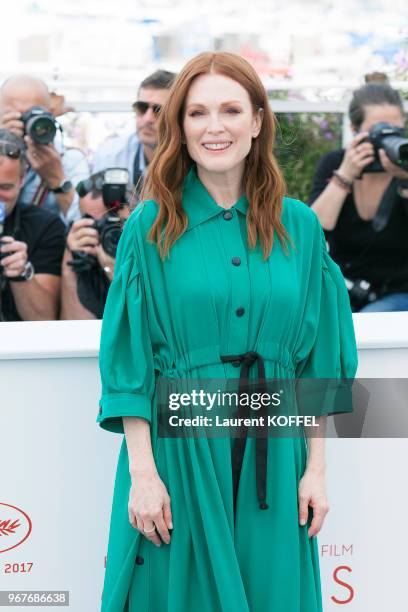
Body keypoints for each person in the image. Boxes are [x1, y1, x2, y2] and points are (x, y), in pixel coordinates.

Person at [97, 52, 358, 611]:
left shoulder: (301, 228)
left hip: (276, 454)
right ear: (180, 128)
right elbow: (129, 363)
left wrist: (316, 468)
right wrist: (143, 475)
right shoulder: (149, 227)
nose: (215, 127)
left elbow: (318, 363)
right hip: (182, 453)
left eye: (231, 110)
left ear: (258, 120)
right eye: (197, 113)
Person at [309, 82, 408, 312]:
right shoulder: (335, 163)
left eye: (395, 131)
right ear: (354, 129)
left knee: (355, 330)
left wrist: (405, 181)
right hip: (343, 287)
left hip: (399, 292)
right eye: (379, 131)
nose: (387, 138)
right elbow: (313, 231)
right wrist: (344, 176)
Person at [0, 74, 90, 225]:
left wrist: (57, 179)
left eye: (33, 115)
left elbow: (84, 223)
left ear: (51, 114)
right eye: (15, 116)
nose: (26, 124)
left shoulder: (69, 159)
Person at [0, 130, 65, 321]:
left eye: (5, 188)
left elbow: (44, 320)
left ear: (22, 181)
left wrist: (21, 273)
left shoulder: (45, 226)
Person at [92, 70, 176, 194]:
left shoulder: (197, 161)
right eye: (141, 107)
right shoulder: (110, 155)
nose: (147, 119)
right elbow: (89, 208)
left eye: (159, 110)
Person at [60, 180, 131, 320]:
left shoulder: (151, 250)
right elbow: (74, 334)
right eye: (95, 224)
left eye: (114, 222)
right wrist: (70, 261)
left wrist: (114, 271)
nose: (105, 233)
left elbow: (146, 325)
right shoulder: (86, 258)